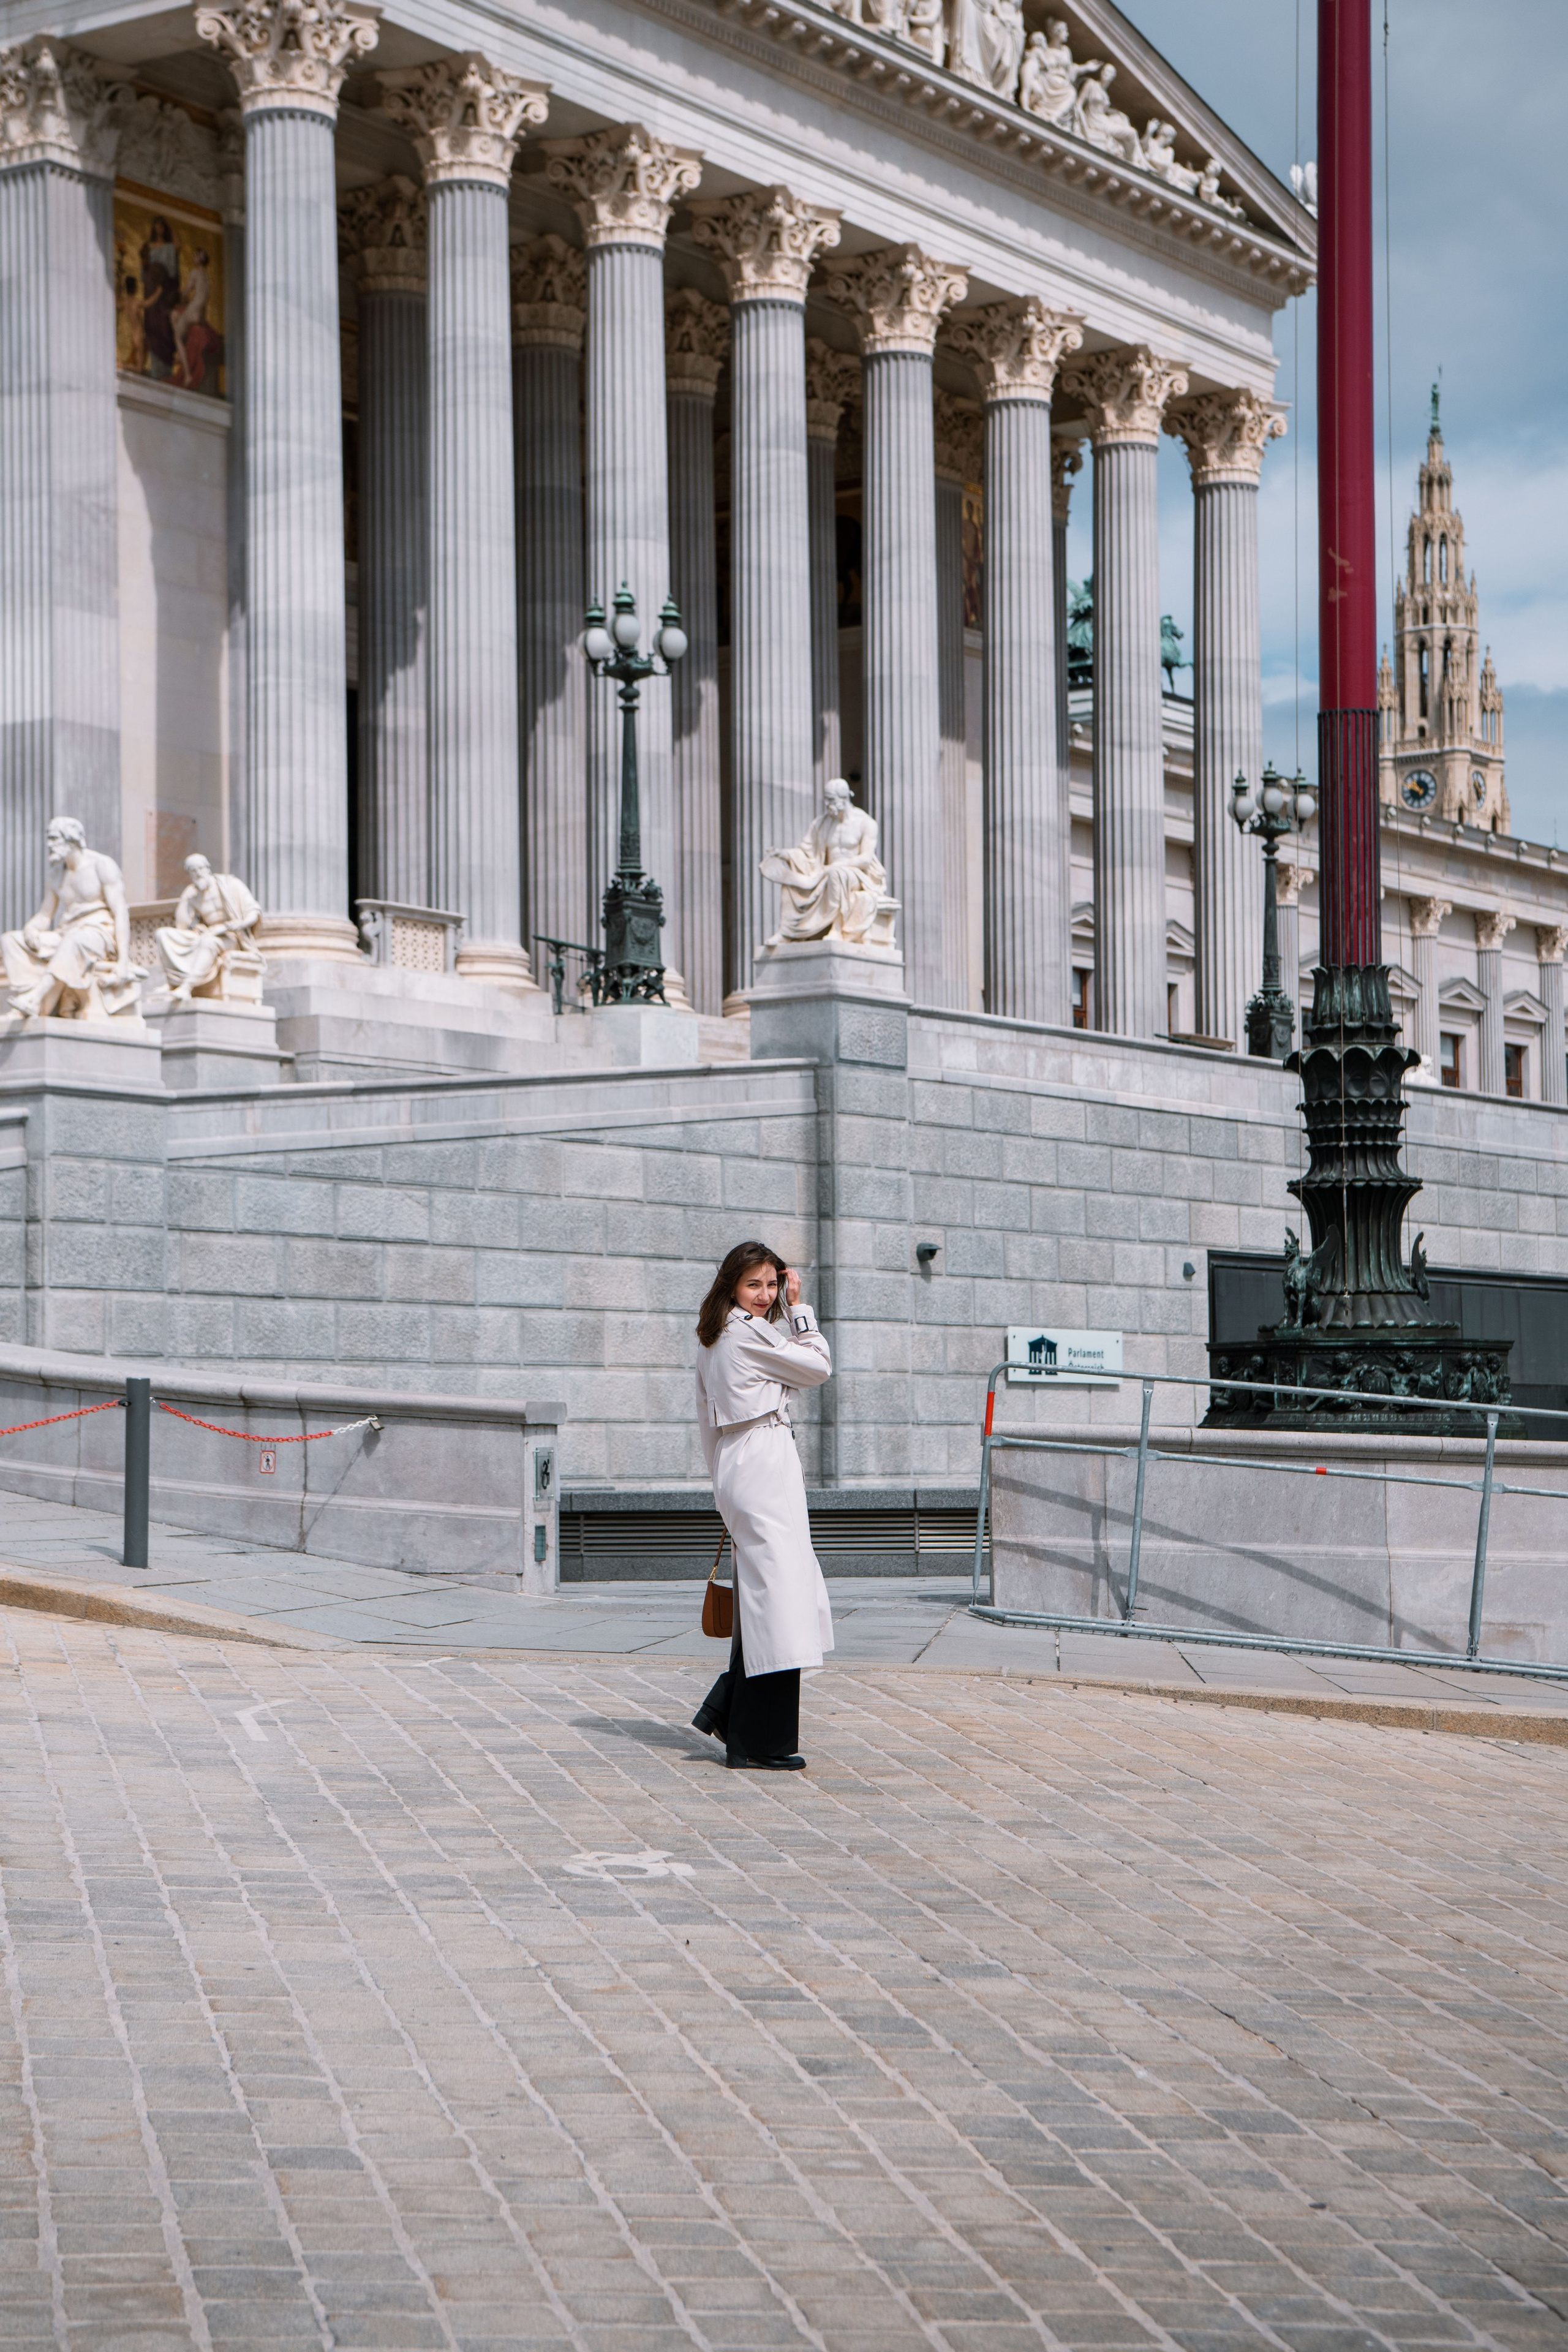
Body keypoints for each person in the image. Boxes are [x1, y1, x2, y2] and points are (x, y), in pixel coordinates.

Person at [691, 1242, 833, 1770]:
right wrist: (800, 1309)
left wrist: (723, 1481)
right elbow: (818, 1365)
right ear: (731, 1285)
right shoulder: (745, 1333)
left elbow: (706, 1422)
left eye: (773, 1284)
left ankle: (734, 1716)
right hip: (762, 1459)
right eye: (754, 1284)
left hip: (741, 1458)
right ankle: (755, 1739)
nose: (766, 1294)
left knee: (766, 1595)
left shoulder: (714, 1335)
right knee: (779, 1595)